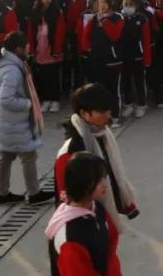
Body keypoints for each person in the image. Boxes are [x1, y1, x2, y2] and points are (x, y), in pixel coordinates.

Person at [44, 152, 124, 276]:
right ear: (83, 184)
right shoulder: (69, 234)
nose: (104, 183)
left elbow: (111, 242)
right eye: (99, 179)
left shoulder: (96, 207)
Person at [55, 84, 139, 227]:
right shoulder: (72, 149)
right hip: (85, 219)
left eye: (108, 110)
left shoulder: (102, 133)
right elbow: (67, 194)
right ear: (84, 114)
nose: (108, 115)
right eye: (102, 111)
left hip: (104, 211)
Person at [0, 31, 54, 205]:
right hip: (14, 123)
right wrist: (28, 104)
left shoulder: (7, 64)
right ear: (18, 49)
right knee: (28, 157)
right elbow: (6, 100)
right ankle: (34, 193)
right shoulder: (12, 70)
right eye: (26, 46)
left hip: (6, 122)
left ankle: (2, 193)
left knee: (6, 155)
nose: (28, 48)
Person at [28, 0, 67, 113]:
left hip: (51, 47)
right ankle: (46, 99)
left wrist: (57, 48)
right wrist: (31, 49)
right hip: (40, 46)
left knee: (53, 75)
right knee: (42, 75)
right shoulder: (35, 11)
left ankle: (55, 100)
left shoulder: (57, 12)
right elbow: (30, 31)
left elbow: (60, 32)